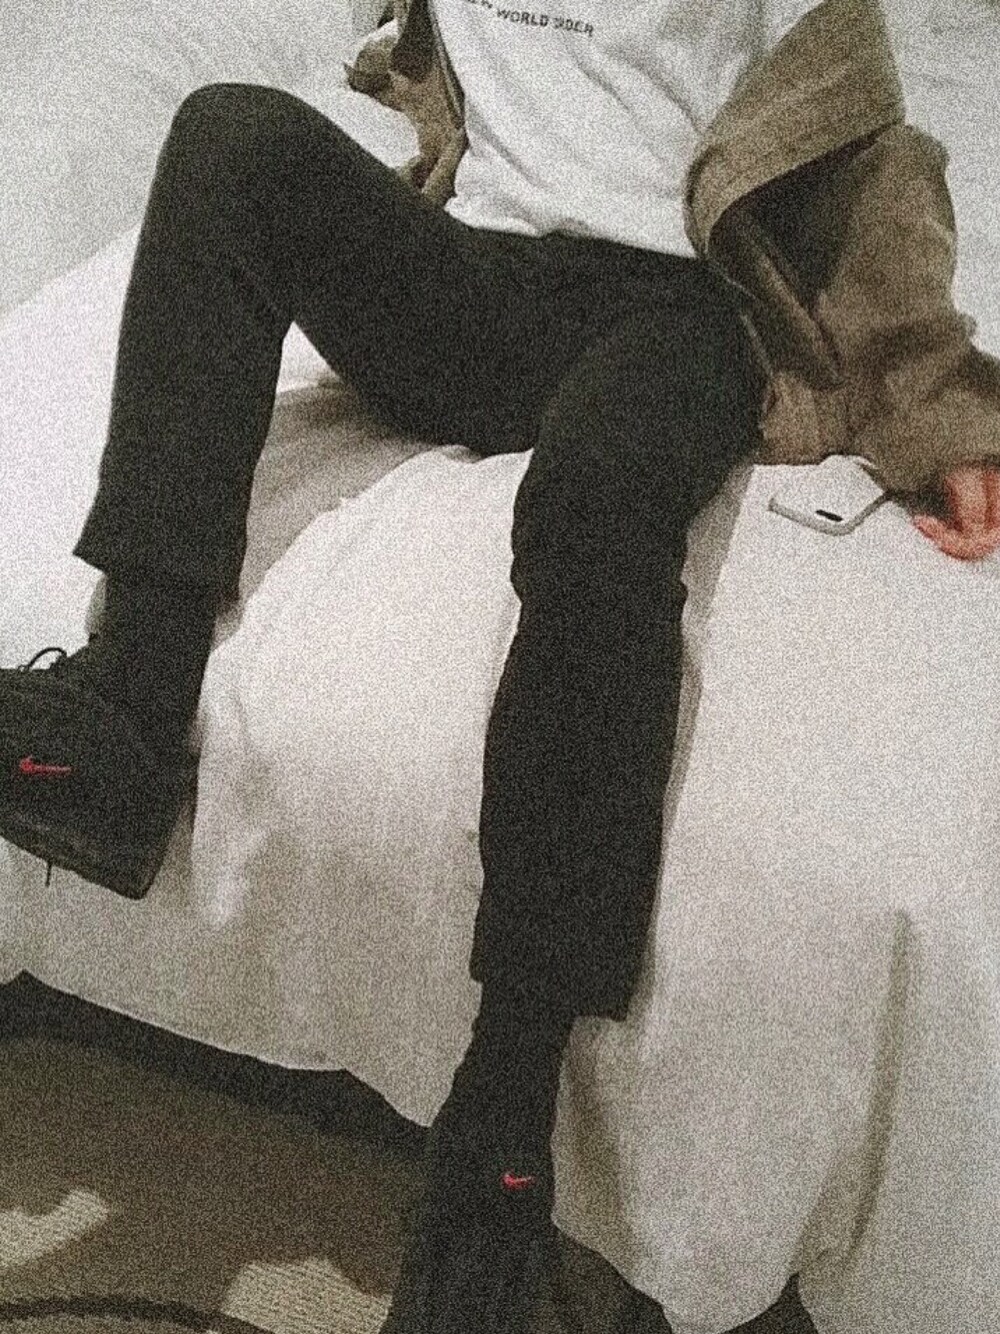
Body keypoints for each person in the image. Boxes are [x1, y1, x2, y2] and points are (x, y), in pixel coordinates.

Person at [2, 0, 1000, 1330]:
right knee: (230, 137)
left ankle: (509, 1097)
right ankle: (124, 719)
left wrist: (937, 410)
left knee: (593, 502)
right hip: (475, 279)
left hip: (684, 306)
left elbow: (873, 163)